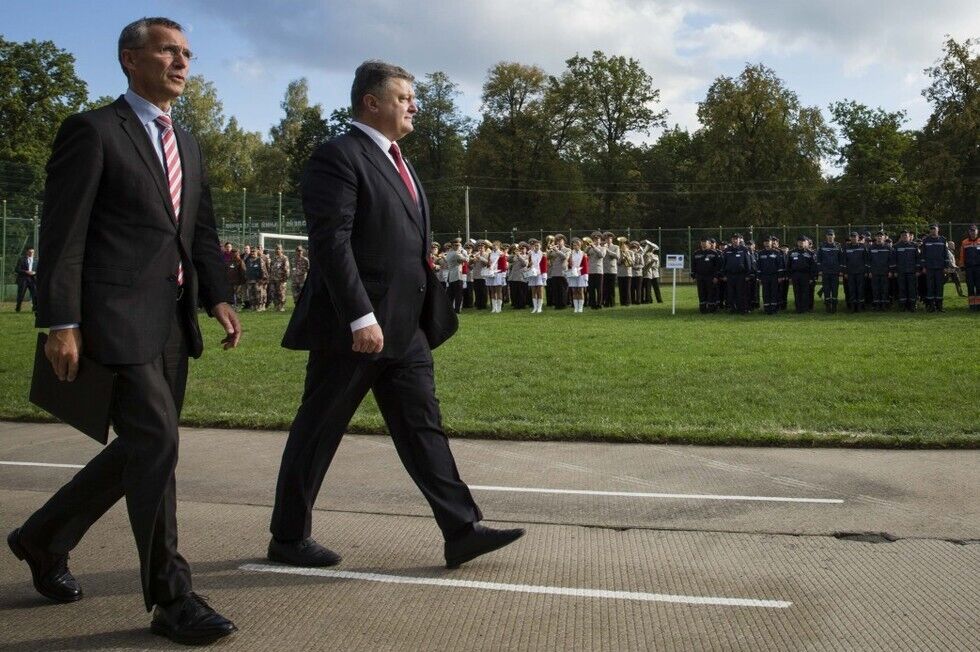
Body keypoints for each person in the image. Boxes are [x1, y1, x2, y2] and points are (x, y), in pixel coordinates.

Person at [7, 17, 241, 645]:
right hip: (112, 319)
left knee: (144, 446)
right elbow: (64, 232)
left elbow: (200, 232)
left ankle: (42, 537)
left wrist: (218, 296)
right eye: (168, 50)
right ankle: (171, 597)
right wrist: (61, 322)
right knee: (157, 440)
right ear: (129, 59)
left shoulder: (187, 143)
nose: (182, 62)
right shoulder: (92, 131)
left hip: (172, 323)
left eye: (187, 52)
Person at [274, 60, 524, 574]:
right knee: (319, 429)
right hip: (355, 329)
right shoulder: (339, 156)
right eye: (405, 97)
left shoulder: (398, 160)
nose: (414, 105)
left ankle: (461, 530)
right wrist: (359, 316)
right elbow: (332, 243)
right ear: (371, 102)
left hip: (406, 329)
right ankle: (289, 536)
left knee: (422, 427)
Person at [920, 223, 947, 312]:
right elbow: (923, 255)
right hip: (929, 268)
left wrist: (946, 266)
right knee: (930, 287)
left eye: (934, 229)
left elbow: (945, 254)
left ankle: (939, 306)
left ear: (938, 229)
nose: (933, 230)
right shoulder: (926, 240)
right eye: (931, 229)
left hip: (940, 267)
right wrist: (923, 267)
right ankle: (931, 306)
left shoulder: (943, 240)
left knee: (939, 287)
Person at [721, 234, 751, 314]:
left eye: (736, 239)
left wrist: (748, 274)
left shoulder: (744, 249)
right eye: (733, 239)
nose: (735, 240)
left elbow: (748, 263)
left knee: (741, 293)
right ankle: (733, 309)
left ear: (739, 240)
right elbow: (724, 263)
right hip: (730, 275)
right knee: (731, 293)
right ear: (731, 240)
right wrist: (724, 275)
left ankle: (742, 309)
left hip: (741, 275)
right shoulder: (727, 250)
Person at [787, 236, 817, 313]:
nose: (801, 243)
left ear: (805, 243)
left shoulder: (810, 253)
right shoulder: (791, 252)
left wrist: (812, 277)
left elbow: (813, 267)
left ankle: (805, 308)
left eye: (802, 242)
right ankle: (798, 308)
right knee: (797, 292)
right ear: (797, 243)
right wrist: (789, 276)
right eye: (799, 242)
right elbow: (788, 265)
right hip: (795, 275)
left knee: (805, 292)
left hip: (806, 275)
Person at [892, 230, 920, 312]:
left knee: (912, 289)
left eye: (906, 235)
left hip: (912, 271)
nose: (904, 237)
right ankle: (902, 306)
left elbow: (918, 259)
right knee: (902, 289)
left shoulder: (914, 246)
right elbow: (894, 260)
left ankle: (912, 305)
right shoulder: (896, 246)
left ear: (909, 236)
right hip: (901, 272)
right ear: (901, 237)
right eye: (903, 235)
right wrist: (895, 271)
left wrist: (918, 270)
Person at [756, 236, 785, 314]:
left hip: (774, 276)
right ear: (763, 243)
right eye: (765, 242)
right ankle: (767, 308)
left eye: (768, 241)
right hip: (764, 276)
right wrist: (758, 277)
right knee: (765, 292)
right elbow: (758, 266)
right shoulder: (760, 253)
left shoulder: (776, 252)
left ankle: (773, 308)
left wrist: (780, 276)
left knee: (774, 292)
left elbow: (780, 266)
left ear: (771, 242)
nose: (767, 243)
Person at [816, 230, 844, 313]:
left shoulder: (838, 246)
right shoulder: (822, 246)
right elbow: (819, 259)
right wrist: (820, 270)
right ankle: (827, 307)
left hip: (835, 272)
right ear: (826, 236)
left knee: (835, 290)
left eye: (831, 235)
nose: (830, 236)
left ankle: (834, 307)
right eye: (828, 235)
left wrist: (840, 270)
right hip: (825, 271)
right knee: (826, 289)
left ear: (834, 236)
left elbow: (841, 259)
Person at [691, 237, 721, 313]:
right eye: (702, 243)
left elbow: (717, 266)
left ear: (709, 244)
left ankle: (711, 309)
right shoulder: (696, 253)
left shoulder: (714, 253)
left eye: (705, 243)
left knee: (711, 292)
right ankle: (703, 309)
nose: (704, 245)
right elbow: (693, 265)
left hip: (710, 277)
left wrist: (716, 276)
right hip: (700, 276)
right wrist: (693, 276)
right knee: (701, 293)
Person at [844, 232, 869, 312]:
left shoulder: (863, 246)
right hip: (850, 272)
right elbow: (844, 261)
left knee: (860, 289)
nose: (854, 238)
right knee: (852, 290)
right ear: (850, 238)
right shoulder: (846, 247)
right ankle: (853, 306)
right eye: (852, 237)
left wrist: (866, 271)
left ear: (858, 238)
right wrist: (845, 272)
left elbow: (866, 260)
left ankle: (860, 306)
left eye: (855, 237)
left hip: (860, 272)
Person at [868, 232, 893, 311]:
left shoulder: (888, 247)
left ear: (884, 238)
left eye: (881, 236)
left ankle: (884, 305)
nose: (879, 237)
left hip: (885, 272)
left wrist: (890, 271)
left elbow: (891, 260)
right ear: (875, 237)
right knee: (875, 289)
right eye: (878, 236)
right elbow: (869, 261)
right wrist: (869, 271)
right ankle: (877, 305)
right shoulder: (871, 248)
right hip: (874, 272)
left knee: (884, 289)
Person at [565, 237, 589, 313]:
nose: (575, 247)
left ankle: (580, 307)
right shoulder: (571, 253)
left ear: (580, 245)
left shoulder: (583, 254)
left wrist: (585, 275)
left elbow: (585, 265)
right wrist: (569, 262)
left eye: (576, 245)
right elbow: (569, 265)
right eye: (574, 245)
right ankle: (576, 307)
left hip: (581, 274)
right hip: (573, 273)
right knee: (574, 290)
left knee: (580, 290)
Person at [960, 224, 980, 311]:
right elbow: (962, 255)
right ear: (969, 232)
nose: (972, 232)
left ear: (977, 231)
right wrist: (962, 266)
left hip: (979, 268)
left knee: (979, 287)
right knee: (970, 286)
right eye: (971, 231)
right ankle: (972, 306)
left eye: (974, 230)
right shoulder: (964, 242)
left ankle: (978, 305)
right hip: (969, 268)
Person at [526, 238, 548, 313]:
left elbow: (544, 266)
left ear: (540, 246)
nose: (536, 247)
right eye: (535, 245)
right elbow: (528, 265)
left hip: (540, 274)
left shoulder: (543, 254)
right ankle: (535, 307)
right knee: (533, 291)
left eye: (537, 245)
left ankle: (539, 307)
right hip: (532, 274)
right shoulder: (530, 254)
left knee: (539, 291)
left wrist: (544, 275)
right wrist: (529, 264)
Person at [486, 240, 508, 313]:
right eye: (493, 245)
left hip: (498, 273)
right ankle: (494, 307)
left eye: (496, 245)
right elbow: (488, 263)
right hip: (491, 273)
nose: (494, 246)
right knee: (492, 291)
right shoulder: (491, 254)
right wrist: (489, 265)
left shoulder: (501, 254)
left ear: (499, 246)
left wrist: (503, 275)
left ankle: (499, 308)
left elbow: (504, 266)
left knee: (499, 291)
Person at [15, 246, 38, 312]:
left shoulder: (36, 260)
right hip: (23, 279)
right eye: (30, 252)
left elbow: (39, 270)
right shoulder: (21, 259)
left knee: (35, 294)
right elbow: (17, 269)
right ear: (27, 252)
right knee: (21, 295)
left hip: (32, 280)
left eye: (32, 252)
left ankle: (35, 308)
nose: (31, 253)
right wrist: (26, 272)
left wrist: (35, 272)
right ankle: (18, 308)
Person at [585, 233, 605, 309]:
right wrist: (588, 247)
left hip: (598, 270)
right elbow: (584, 253)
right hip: (590, 270)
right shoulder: (590, 248)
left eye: (597, 239)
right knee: (591, 289)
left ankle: (599, 304)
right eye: (594, 239)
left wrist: (594, 247)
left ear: (600, 241)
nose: (596, 241)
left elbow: (601, 255)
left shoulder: (603, 248)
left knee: (599, 289)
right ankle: (592, 304)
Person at [269, 244, 291, 311]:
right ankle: (276, 306)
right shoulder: (274, 258)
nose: (277, 250)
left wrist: (285, 279)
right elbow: (271, 268)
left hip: (281, 280)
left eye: (279, 249)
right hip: (273, 279)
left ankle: (281, 307)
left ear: (282, 250)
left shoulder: (284, 258)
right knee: (273, 293)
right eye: (276, 249)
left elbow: (287, 269)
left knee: (281, 293)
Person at [601, 232, 619, 307]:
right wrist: (603, 248)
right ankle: (605, 302)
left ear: (612, 239)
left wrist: (607, 249)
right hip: (603, 269)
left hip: (612, 270)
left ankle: (612, 303)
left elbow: (617, 256)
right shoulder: (602, 246)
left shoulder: (616, 247)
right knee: (604, 287)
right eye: (606, 239)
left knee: (611, 287)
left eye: (609, 238)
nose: (608, 240)